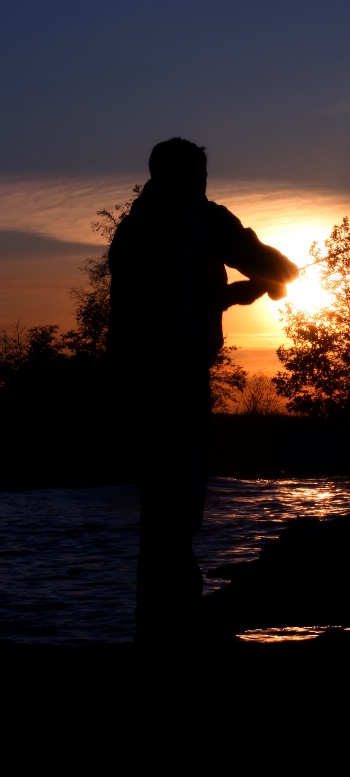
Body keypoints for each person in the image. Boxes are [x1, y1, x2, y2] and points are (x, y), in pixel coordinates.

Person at [107, 137, 299, 646]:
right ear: (197, 178)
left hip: (133, 380)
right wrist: (265, 283)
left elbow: (180, 295)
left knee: (160, 505)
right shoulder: (201, 218)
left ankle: (159, 623)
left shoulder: (135, 228)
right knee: (179, 500)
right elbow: (282, 269)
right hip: (177, 377)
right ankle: (176, 628)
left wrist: (243, 291)